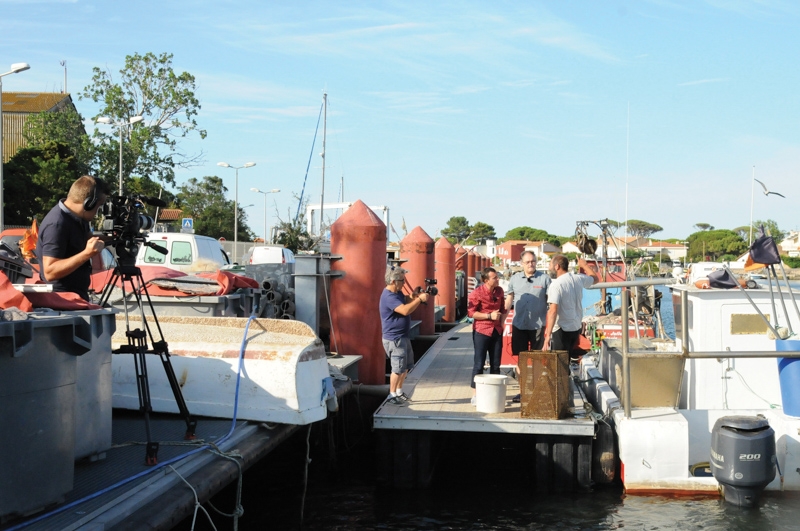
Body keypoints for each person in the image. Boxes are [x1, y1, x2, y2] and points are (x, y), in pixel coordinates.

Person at [37, 175, 110, 301]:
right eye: (99, 206)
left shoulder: (79, 218)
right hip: (61, 302)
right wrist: (87, 254)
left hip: (76, 297)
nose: (99, 211)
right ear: (88, 203)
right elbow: (49, 272)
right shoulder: (57, 224)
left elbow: (88, 241)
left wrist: (116, 237)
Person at [504, 250, 551, 402]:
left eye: (533, 261)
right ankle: (523, 391)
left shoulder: (545, 279)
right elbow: (509, 299)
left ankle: (536, 392)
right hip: (519, 325)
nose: (531, 264)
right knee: (521, 360)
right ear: (521, 263)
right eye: (528, 262)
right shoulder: (515, 279)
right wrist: (502, 318)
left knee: (538, 360)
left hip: (538, 326)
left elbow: (552, 303)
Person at [380, 265, 429, 405]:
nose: (404, 282)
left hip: (403, 336)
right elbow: (404, 310)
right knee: (397, 368)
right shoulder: (389, 296)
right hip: (394, 339)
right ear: (394, 281)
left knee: (406, 366)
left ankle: (399, 391)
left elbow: (405, 301)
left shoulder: (397, 293)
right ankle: (392, 394)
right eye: (402, 280)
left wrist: (414, 296)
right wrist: (419, 300)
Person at [543, 255, 601, 358]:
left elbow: (553, 311)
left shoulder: (556, 285)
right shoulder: (578, 278)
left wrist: (548, 335)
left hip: (561, 329)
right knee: (567, 359)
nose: (549, 267)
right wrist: (584, 265)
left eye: (550, 265)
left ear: (557, 267)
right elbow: (595, 279)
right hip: (575, 328)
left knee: (559, 363)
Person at [467, 267, 506, 405]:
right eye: (494, 278)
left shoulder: (500, 291)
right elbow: (471, 313)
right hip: (482, 331)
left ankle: (495, 394)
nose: (497, 279)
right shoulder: (476, 293)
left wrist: (502, 322)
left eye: (497, 277)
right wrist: (489, 316)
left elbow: (502, 309)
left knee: (496, 364)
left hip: (496, 330)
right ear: (486, 280)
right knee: (479, 364)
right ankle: (475, 395)